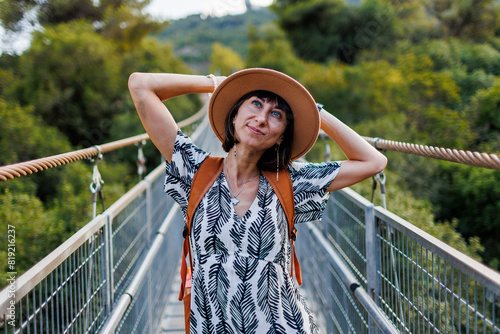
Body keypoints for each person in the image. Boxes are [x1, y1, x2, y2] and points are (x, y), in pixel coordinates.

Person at [128, 68, 387, 333]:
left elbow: (374, 161)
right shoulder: (194, 171)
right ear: (235, 113)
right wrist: (220, 84)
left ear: (283, 134)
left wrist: (315, 112)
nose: (261, 119)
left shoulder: (292, 182)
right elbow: (140, 85)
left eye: (276, 114)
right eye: (255, 104)